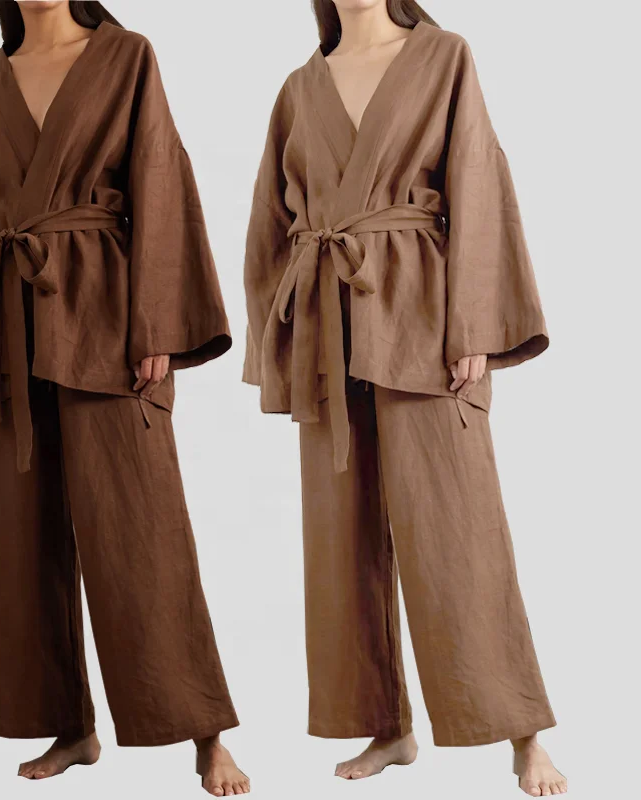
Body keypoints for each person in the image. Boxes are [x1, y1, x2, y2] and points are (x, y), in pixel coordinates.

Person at [242, 1, 565, 796]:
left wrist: (474, 324)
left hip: (423, 320)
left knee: (458, 529)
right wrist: (276, 344)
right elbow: (268, 226)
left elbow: (479, 184)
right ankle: (388, 727)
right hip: (325, 326)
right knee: (341, 537)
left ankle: (521, 732)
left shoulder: (444, 56)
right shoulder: (299, 86)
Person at [0, 2, 248, 794]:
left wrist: (157, 323)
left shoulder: (127, 56)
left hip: (107, 322)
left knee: (142, 531)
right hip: (8, 330)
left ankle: (204, 732)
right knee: (24, 538)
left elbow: (161, 182)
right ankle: (71, 727)